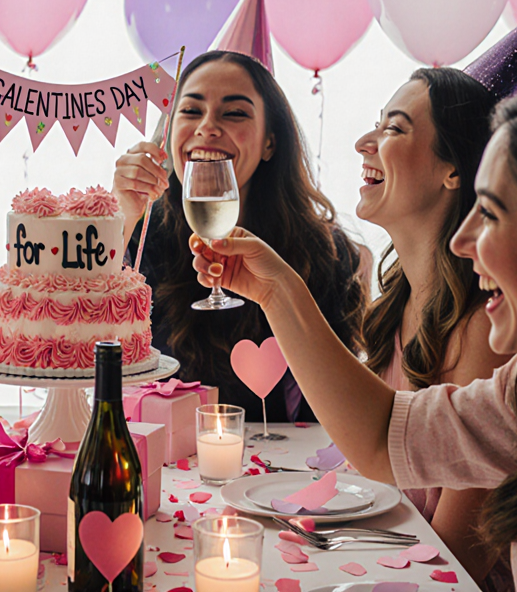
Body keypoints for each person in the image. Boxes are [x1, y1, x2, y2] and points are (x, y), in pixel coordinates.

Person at [191, 79, 517, 591]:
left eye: (494, 212)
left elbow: (457, 556)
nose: (462, 239)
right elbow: (382, 433)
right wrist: (278, 291)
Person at [113, 50, 367, 422]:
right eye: (190, 110)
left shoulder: (326, 253)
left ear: (270, 143)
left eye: (234, 113)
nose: (208, 128)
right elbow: (87, 345)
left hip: (287, 472)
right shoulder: (143, 240)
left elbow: (344, 409)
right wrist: (123, 216)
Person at [354, 67, 512, 588]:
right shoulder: (389, 308)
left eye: (394, 129)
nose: (364, 143)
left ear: (452, 170)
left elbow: (454, 562)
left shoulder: (483, 335)